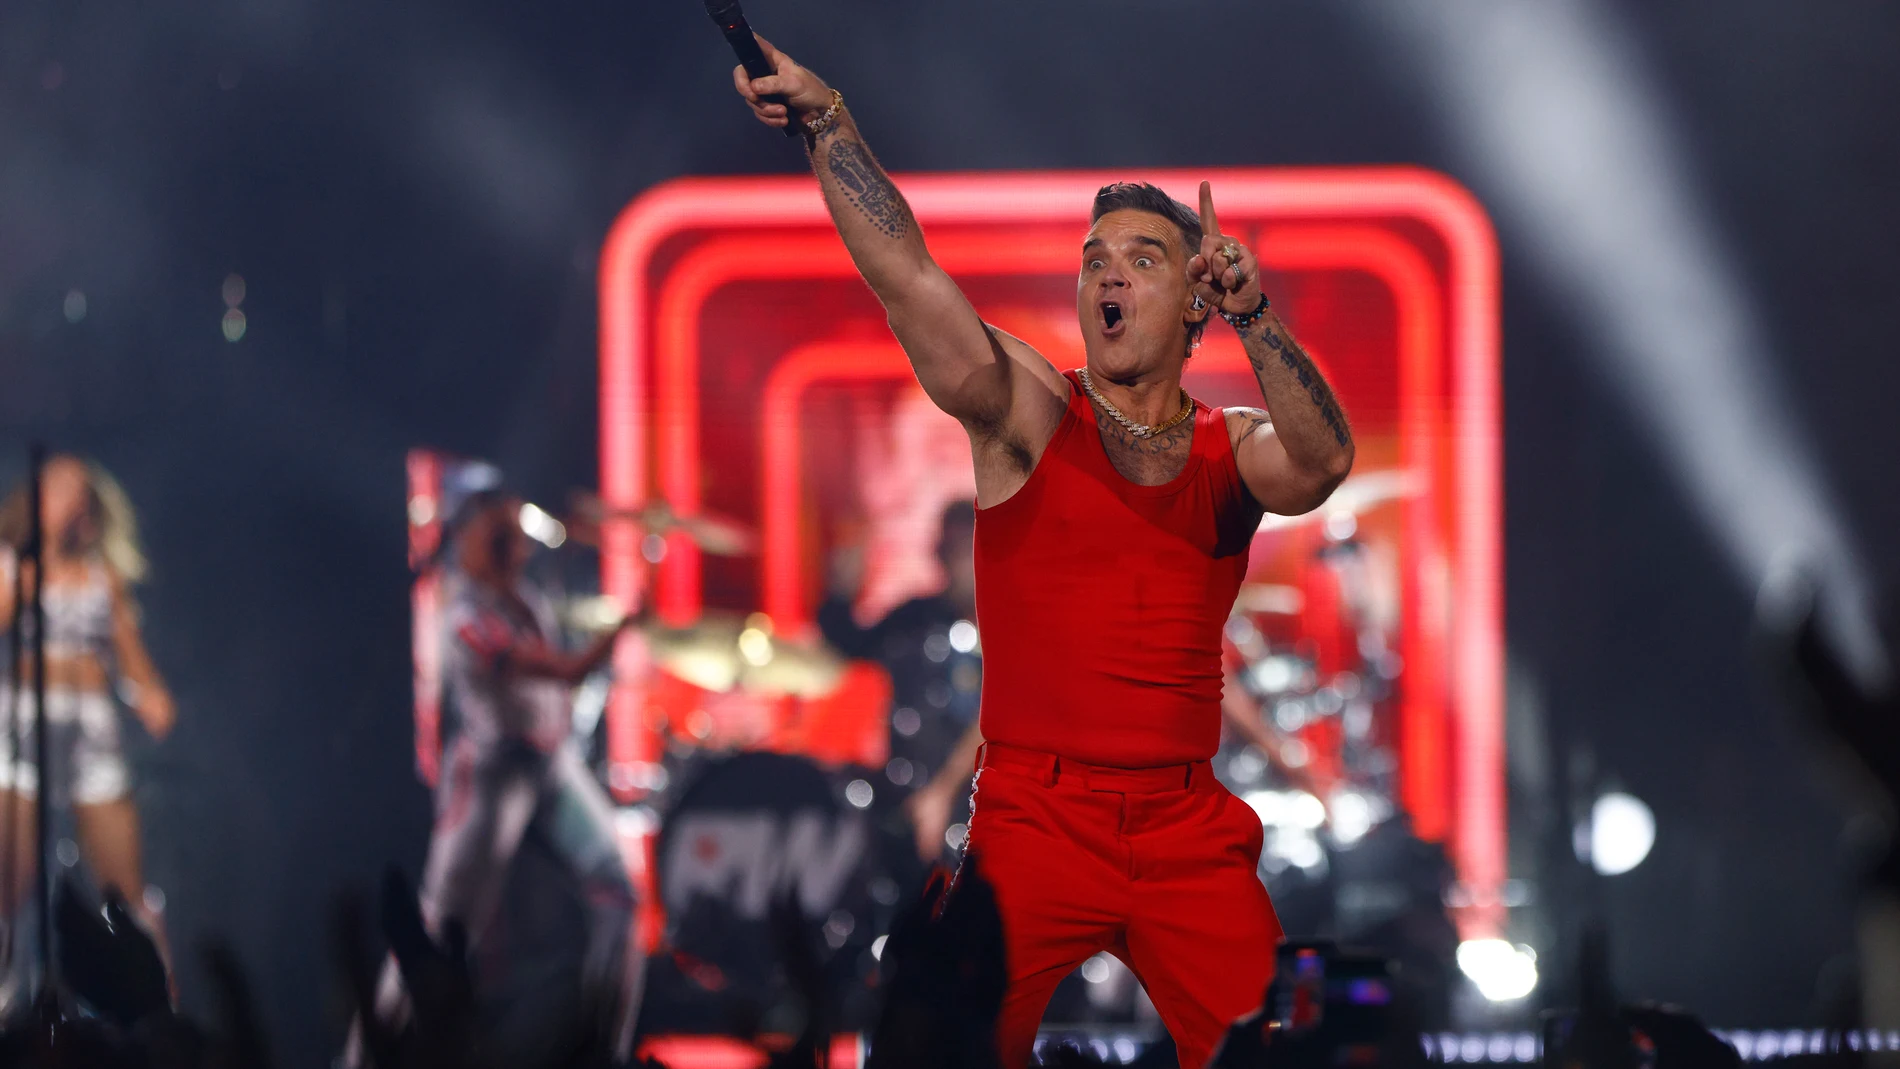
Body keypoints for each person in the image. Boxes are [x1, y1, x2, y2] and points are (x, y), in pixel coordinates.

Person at [733, 44, 1355, 1069]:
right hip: (1034, 819)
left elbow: (1323, 461)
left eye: (1142, 260)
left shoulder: (1230, 445)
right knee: (931, 1047)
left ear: (1196, 302)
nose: (1106, 272)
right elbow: (907, 275)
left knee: (1282, 1052)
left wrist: (1256, 314)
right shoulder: (1028, 411)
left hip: (1186, 827)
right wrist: (827, 120)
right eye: (1092, 257)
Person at [361, 488, 640, 1059]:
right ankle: (363, 1056)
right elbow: (564, 673)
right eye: (498, 534)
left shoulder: (527, 599)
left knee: (619, 893)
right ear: (467, 541)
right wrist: (628, 624)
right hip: (494, 776)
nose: (513, 545)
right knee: (441, 928)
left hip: (549, 764)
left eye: (515, 532)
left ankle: (603, 1047)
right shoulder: (468, 618)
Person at [0, 456, 176, 974]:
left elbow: (128, 650)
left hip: (91, 729)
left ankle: (151, 1000)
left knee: (122, 884)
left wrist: (151, 693)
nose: (67, 498)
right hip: (25, 725)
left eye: (76, 489)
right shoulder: (12, 566)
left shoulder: (102, 578)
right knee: (11, 879)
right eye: (56, 487)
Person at [819, 501, 981, 862]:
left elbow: (999, 718)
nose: (960, 562)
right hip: (904, 803)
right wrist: (845, 578)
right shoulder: (914, 618)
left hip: (976, 810)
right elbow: (847, 645)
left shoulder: (1012, 627)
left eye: (968, 546)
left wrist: (943, 793)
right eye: (951, 547)